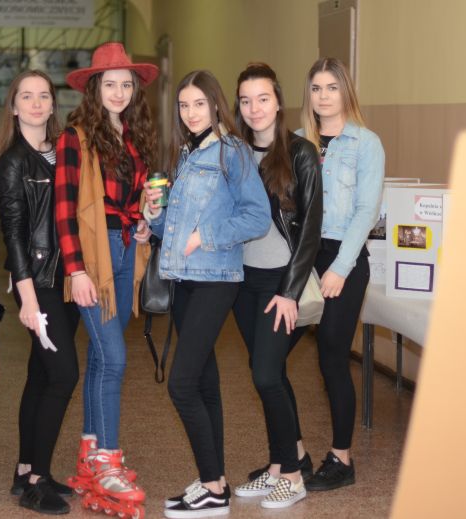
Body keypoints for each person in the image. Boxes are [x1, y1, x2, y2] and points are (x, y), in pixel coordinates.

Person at [144, 70, 271, 519]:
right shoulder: (187, 152)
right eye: (184, 105)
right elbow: (173, 230)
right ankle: (215, 482)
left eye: (199, 104)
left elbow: (257, 217)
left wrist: (206, 236)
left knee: (181, 384)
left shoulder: (232, 152)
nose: (191, 113)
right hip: (183, 278)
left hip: (216, 278)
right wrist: (154, 216)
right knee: (203, 382)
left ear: (216, 105)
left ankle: (213, 486)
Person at [54, 42, 156, 518]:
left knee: (100, 357)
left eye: (126, 84)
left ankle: (91, 455)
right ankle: (109, 461)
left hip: (126, 248)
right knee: (114, 358)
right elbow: (64, 212)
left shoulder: (133, 137)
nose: (119, 92)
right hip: (92, 259)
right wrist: (75, 270)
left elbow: (133, 201)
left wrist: (143, 222)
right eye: (110, 84)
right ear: (94, 88)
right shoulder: (75, 138)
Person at [230, 63, 322, 509]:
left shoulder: (301, 153)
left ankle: (293, 477)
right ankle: (280, 465)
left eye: (263, 98)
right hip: (241, 281)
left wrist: (289, 291)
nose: (255, 108)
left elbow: (310, 230)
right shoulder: (234, 152)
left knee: (266, 375)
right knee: (269, 374)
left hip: (279, 282)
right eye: (246, 100)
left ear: (278, 101)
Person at [296, 57, 385, 491]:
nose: (324, 96)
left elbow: (366, 211)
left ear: (345, 91)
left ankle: (342, 459)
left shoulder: (365, 143)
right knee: (268, 355)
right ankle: (290, 455)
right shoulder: (299, 142)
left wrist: (340, 268)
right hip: (303, 257)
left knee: (331, 356)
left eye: (332, 87)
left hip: (343, 258)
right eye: (316, 88)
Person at [0, 70, 80, 515]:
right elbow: (13, 234)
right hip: (38, 283)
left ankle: (26, 467)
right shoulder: (13, 162)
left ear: (52, 103)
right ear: (13, 106)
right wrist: (27, 299)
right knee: (64, 375)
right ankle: (37, 482)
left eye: (43, 95)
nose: (35, 103)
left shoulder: (63, 150)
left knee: (42, 374)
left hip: (67, 280)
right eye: (26, 96)